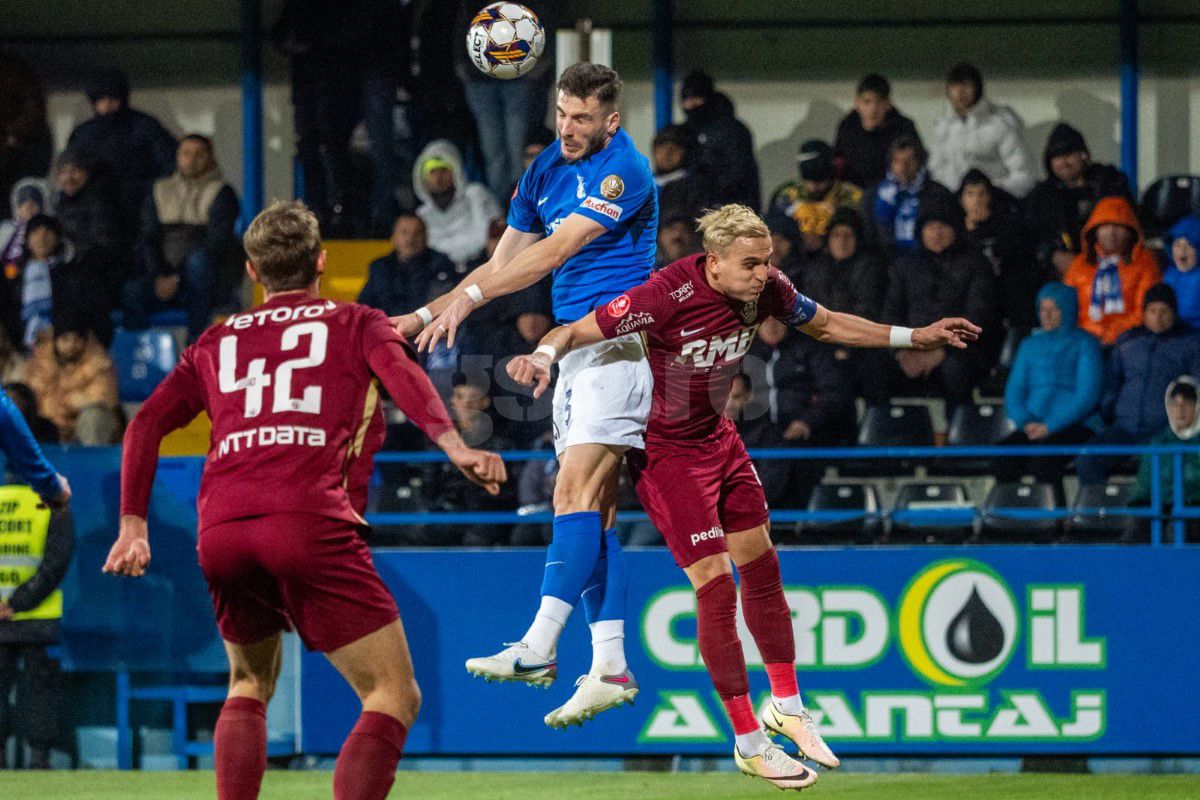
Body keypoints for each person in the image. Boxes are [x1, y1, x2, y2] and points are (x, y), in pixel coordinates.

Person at [505, 203, 979, 789]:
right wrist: (543, 355)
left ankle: (786, 706)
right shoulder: (664, 294)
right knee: (713, 584)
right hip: (666, 455)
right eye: (751, 264)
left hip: (720, 441)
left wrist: (915, 334)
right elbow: (578, 328)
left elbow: (826, 323)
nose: (764, 274)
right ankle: (749, 740)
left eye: (768, 262)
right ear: (715, 261)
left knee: (763, 567)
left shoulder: (767, 288)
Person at [103, 200, 505, 800]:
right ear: (321, 261)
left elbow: (144, 426)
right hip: (308, 521)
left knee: (247, 682)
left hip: (222, 530)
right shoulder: (356, 323)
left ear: (252, 271)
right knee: (393, 694)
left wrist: (133, 525)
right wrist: (455, 446)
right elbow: (408, 382)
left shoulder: (215, 340)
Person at [395, 63, 657, 728]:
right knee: (591, 518)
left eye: (582, 119)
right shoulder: (544, 171)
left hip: (617, 352)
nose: (568, 128)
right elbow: (500, 259)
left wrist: (477, 297)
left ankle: (538, 648)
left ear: (610, 121)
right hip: (574, 360)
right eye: (563, 115)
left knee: (569, 494)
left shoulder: (624, 171)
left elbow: (553, 251)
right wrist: (430, 314)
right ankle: (610, 664)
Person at [0, 389, 71, 771]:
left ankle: (31, 763)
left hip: (17, 615)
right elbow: (57, 559)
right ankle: (39, 765)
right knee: (39, 692)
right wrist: (20, 601)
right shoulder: (48, 498)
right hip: (34, 614)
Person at [1076, 284, 1200, 486]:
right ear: (1144, 313)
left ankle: (1157, 518)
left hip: (1164, 430)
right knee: (1088, 460)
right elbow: (1112, 383)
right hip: (1124, 427)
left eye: (1164, 311)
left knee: (1161, 472)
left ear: (1174, 313)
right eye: (1152, 311)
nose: (1158, 317)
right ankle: (1103, 515)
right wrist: (1109, 413)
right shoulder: (1127, 341)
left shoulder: (1190, 343)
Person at [880, 201, 998, 409]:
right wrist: (901, 352)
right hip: (910, 347)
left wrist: (940, 353)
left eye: (943, 226)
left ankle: (959, 436)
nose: (936, 233)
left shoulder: (976, 264)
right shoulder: (904, 266)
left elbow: (977, 316)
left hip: (963, 349)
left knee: (955, 371)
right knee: (874, 369)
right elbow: (890, 313)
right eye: (930, 227)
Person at [123, 134, 242, 341]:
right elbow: (148, 237)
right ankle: (142, 359)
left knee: (200, 263)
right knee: (131, 291)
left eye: (199, 154)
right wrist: (158, 275)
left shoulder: (221, 192)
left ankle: (194, 350)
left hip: (202, 282)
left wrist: (176, 277)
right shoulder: (160, 190)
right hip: (163, 279)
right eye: (186, 153)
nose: (192, 159)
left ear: (210, 158)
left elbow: (218, 241)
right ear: (178, 156)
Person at [995, 282, 1103, 501]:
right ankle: (1010, 518)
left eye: (1053, 309)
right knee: (1002, 457)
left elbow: (1087, 396)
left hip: (1076, 425)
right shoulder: (1029, 345)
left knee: (1044, 462)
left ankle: (1054, 521)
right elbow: (1014, 391)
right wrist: (1025, 422)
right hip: (1033, 424)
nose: (1046, 315)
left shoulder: (1085, 344)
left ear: (1067, 310)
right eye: (1042, 309)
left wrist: (1050, 426)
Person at [65, 67, 177, 248]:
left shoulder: (145, 127)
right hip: (96, 208)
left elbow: (168, 164)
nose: (108, 105)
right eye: (101, 99)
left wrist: (148, 189)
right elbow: (70, 169)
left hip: (141, 205)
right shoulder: (84, 134)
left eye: (113, 99)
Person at [1024, 123, 1132, 278]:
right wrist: (1052, 254)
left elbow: (1129, 224)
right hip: (1063, 276)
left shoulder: (1109, 183)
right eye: (1056, 156)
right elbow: (1031, 237)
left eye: (1069, 154)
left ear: (1084, 155)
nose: (1063, 162)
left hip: (1114, 267)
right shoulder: (1041, 196)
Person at [958, 169, 1048, 336]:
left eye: (983, 193)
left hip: (1009, 304)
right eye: (970, 194)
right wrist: (971, 233)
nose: (977, 200)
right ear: (961, 199)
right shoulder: (955, 232)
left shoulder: (1008, 225)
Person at [1063, 196, 1161, 347]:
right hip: (1084, 341)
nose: (1111, 232)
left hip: (1131, 340)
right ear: (1094, 230)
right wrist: (1089, 337)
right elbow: (1067, 308)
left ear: (1130, 231)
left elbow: (1146, 310)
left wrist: (1111, 335)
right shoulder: (1079, 265)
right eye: (1105, 225)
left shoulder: (1145, 263)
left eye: (1118, 226)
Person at [928, 62, 1035, 199]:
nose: (960, 92)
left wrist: (987, 194)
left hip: (996, 205)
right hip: (954, 205)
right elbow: (936, 170)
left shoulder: (1000, 124)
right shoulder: (944, 126)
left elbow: (1024, 176)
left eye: (966, 85)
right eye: (955, 86)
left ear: (978, 88)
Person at [24, 312, 121, 446]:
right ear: (55, 340)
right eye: (65, 339)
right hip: (48, 430)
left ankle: (92, 463)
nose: (71, 345)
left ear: (85, 340)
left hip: (84, 430)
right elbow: (32, 400)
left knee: (94, 415)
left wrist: (63, 403)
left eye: (77, 339)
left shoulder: (100, 364)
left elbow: (101, 399)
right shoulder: (38, 364)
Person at [680, 70, 761, 210]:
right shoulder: (685, 132)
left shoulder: (732, 131)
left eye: (697, 97)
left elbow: (739, 174)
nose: (691, 104)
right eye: (687, 99)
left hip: (731, 211)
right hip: (696, 211)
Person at [412, 140, 501, 266]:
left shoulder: (476, 195)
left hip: (482, 265)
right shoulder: (421, 215)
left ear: (456, 170)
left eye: (444, 170)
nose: (438, 177)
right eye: (432, 172)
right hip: (439, 274)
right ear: (423, 177)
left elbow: (496, 230)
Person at [769, 140, 862, 254]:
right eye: (809, 179)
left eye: (821, 179)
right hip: (796, 255)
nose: (815, 186)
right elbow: (774, 230)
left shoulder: (851, 195)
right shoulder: (787, 194)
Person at [357, 213, 455, 318]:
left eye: (417, 233)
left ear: (426, 237)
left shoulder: (439, 264)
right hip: (386, 328)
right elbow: (364, 305)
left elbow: (440, 305)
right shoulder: (380, 267)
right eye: (404, 232)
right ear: (393, 237)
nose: (410, 239)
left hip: (425, 328)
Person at [871, 136, 955, 257]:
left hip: (927, 261)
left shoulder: (938, 193)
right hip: (889, 262)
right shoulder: (875, 195)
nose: (902, 167)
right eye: (897, 161)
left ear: (920, 163)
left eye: (909, 161)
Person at [833, 73, 921, 188]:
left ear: (888, 103)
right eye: (867, 102)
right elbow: (838, 163)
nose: (873, 109)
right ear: (857, 103)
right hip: (854, 195)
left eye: (879, 102)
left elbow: (918, 165)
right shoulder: (847, 127)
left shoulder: (903, 128)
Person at [0, 214, 70, 353]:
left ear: (57, 238)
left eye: (48, 232)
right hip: (22, 348)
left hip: (61, 346)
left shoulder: (67, 273)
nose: (42, 237)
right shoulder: (15, 278)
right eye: (36, 232)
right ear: (27, 241)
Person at [1130, 377, 1200, 511]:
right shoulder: (1158, 443)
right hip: (1161, 510)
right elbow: (1143, 486)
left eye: (1188, 403)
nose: (1180, 409)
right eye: (1175, 403)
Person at [652, 124, 710, 225]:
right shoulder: (641, 184)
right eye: (661, 148)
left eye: (674, 148)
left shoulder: (695, 187)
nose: (667, 153)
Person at [0, 177, 48, 270]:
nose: (29, 206)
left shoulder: (49, 229)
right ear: (17, 206)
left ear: (42, 206)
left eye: (34, 202)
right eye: (23, 202)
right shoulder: (5, 229)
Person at [1164, 214, 1200, 330]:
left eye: (1189, 245)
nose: (1182, 250)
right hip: (1170, 330)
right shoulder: (1168, 275)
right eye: (1178, 244)